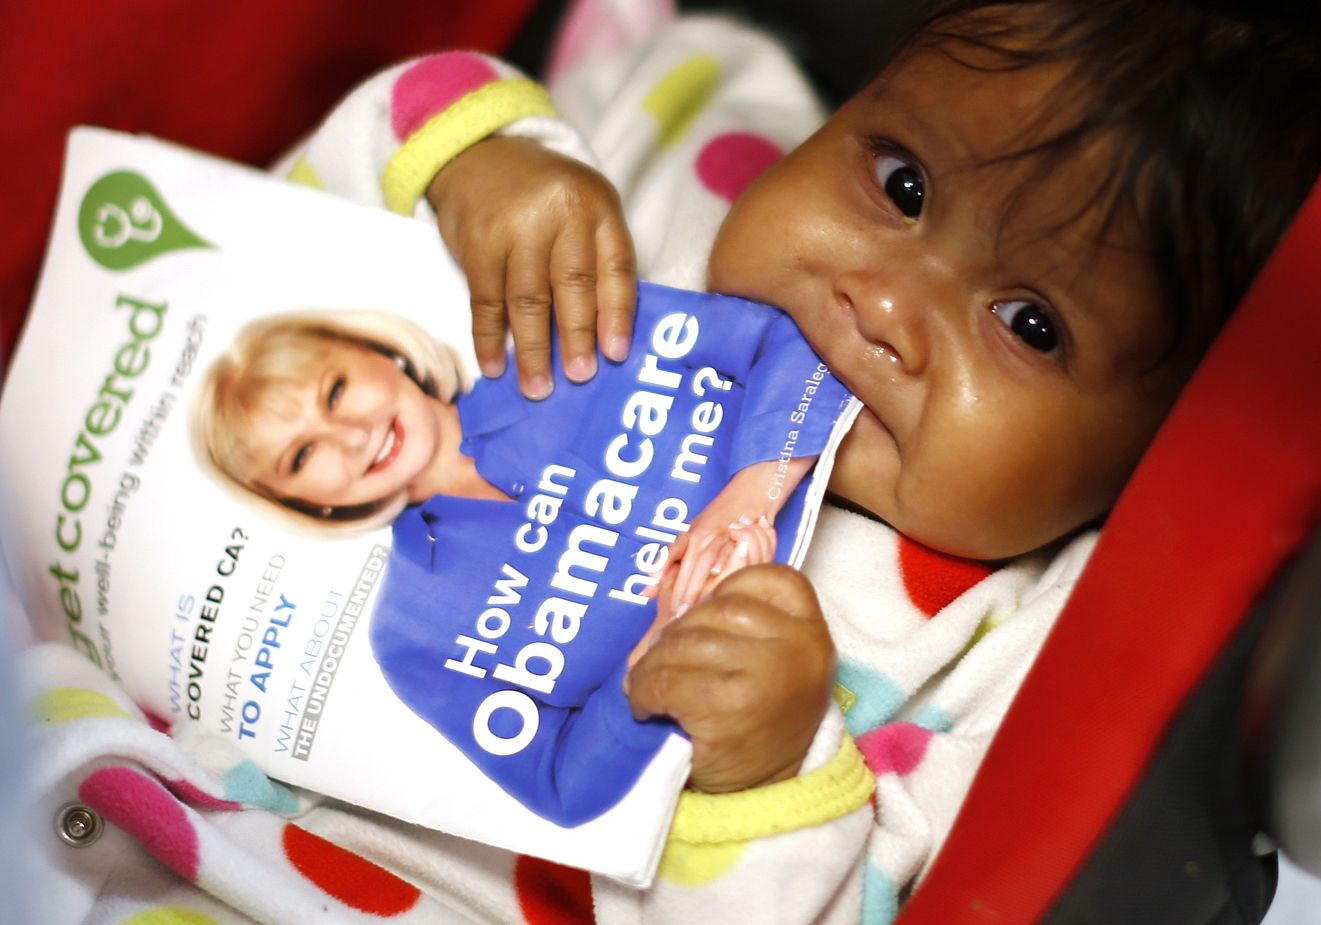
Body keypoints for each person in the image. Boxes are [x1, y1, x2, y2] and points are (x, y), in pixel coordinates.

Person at [32, 0, 1321, 921]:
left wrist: (767, 775)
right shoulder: (685, 162)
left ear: (1141, 454)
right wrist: (484, 163)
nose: (884, 301)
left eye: (1031, 325)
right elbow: (299, 253)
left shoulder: (1003, 649)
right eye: (899, 183)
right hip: (116, 721)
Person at [195, 297, 853, 825]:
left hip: (856, 511)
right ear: (301, 500)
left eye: (335, 390)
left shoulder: (574, 338)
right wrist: (657, 649)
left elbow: (797, 338)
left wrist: (751, 497)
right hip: (768, 729)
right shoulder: (407, 635)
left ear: (380, 351)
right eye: (302, 455)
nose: (349, 434)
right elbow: (560, 785)